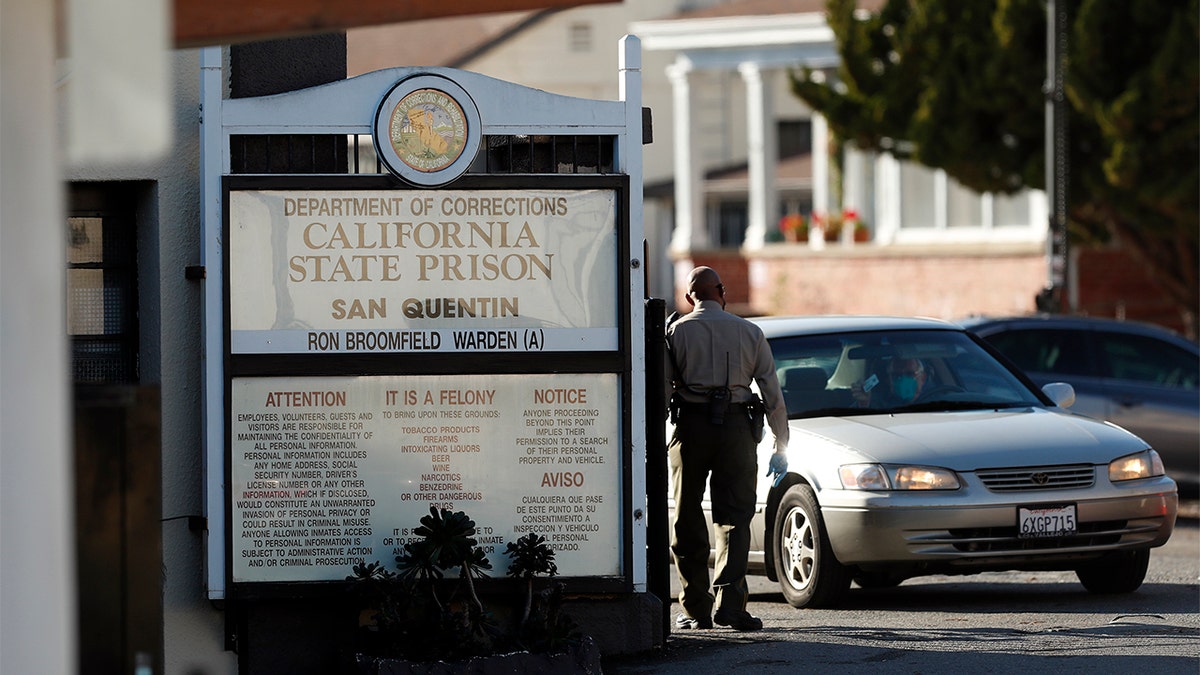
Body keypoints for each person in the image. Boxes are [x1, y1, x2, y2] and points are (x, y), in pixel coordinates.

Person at [665, 266, 789, 631]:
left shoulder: (675, 332)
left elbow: (662, 390)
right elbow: (772, 394)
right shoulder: (750, 331)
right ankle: (731, 606)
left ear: (689, 297)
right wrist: (781, 444)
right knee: (735, 517)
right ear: (722, 291)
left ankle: (695, 609)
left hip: (691, 427)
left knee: (686, 516)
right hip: (737, 429)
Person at [851, 357, 928, 407]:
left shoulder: (937, 401)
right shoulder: (878, 404)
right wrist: (864, 403)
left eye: (909, 374)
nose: (903, 379)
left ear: (923, 378)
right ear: (889, 381)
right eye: (896, 375)